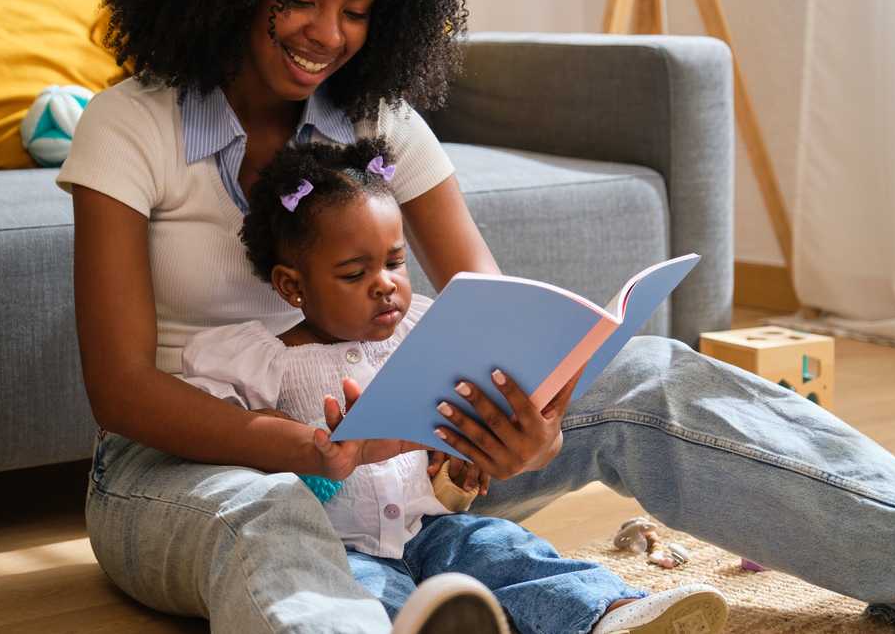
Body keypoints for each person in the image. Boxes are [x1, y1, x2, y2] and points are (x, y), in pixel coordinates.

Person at [58, 0, 895, 633]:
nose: (326, 34)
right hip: (184, 469)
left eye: (357, 10)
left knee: (648, 377)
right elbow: (121, 389)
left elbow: (495, 319)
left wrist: (530, 420)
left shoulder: (380, 125)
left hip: (400, 474)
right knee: (278, 514)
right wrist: (304, 452)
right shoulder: (131, 124)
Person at [177, 136, 730, 633]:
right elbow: (224, 448)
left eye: (395, 262)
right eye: (354, 273)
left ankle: (610, 613)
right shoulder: (265, 360)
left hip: (432, 528)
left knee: (506, 549)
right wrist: (303, 446)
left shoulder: (427, 330)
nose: (385, 285)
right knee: (368, 598)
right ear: (291, 286)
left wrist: (458, 474)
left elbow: (441, 457)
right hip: (339, 548)